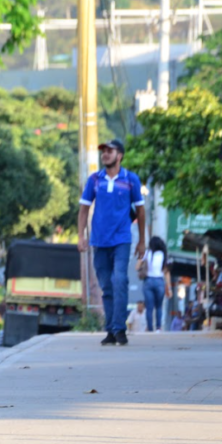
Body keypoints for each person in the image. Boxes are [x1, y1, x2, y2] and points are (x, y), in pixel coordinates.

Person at [77, 139, 145, 346]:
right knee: (106, 287)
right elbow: (84, 209)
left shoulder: (131, 179)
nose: (105, 154)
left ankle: (119, 329)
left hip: (122, 239)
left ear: (120, 155)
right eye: (103, 151)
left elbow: (140, 211)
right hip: (99, 241)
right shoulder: (95, 180)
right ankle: (110, 329)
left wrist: (142, 241)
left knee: (120, 281)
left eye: (109, 151)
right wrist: (81, 235)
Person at [141, 235, 172, 332]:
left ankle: (150, 328)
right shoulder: (163, 255)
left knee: (149, 308)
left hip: (148, 281)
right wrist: (169, 288)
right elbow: (166, 272)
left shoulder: (146, 253)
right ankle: (158, 328)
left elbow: (137, 266)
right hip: (159, 282)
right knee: (159, 307)